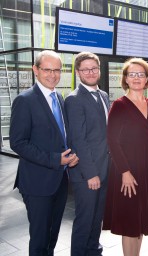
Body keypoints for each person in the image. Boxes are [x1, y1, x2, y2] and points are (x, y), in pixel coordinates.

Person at [9, 50, 79, 256]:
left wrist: (71, 155)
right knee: (39, 240)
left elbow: (61, 136)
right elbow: (18, 143)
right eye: (47, 69)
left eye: (57, 70)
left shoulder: (59, 97)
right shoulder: (25, 100)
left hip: (59, 181)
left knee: (52, 236)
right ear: (35, 70)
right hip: (37, 182)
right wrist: (55, 159)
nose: (53, 75)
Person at [102, 57, 148, 256]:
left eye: (141, 74)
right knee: (130, 223)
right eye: (132, 74)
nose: (137, 78)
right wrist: (125, 171)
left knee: (139, 223)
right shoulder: (119, 105)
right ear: (126, 79)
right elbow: (113, 141)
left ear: (147, 78)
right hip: (128, 171)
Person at [64, 52, 110, 256]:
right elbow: (78, 140)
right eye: (85, 69)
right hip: (87, 173)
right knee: (85, 219)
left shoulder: (104, 95)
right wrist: (91, 174)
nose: (90, 72)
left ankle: (94, 250)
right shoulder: (74, 99)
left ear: (99, 70)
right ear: (78, 72)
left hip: (105, 168)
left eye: (94, 68)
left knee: (97, 217)